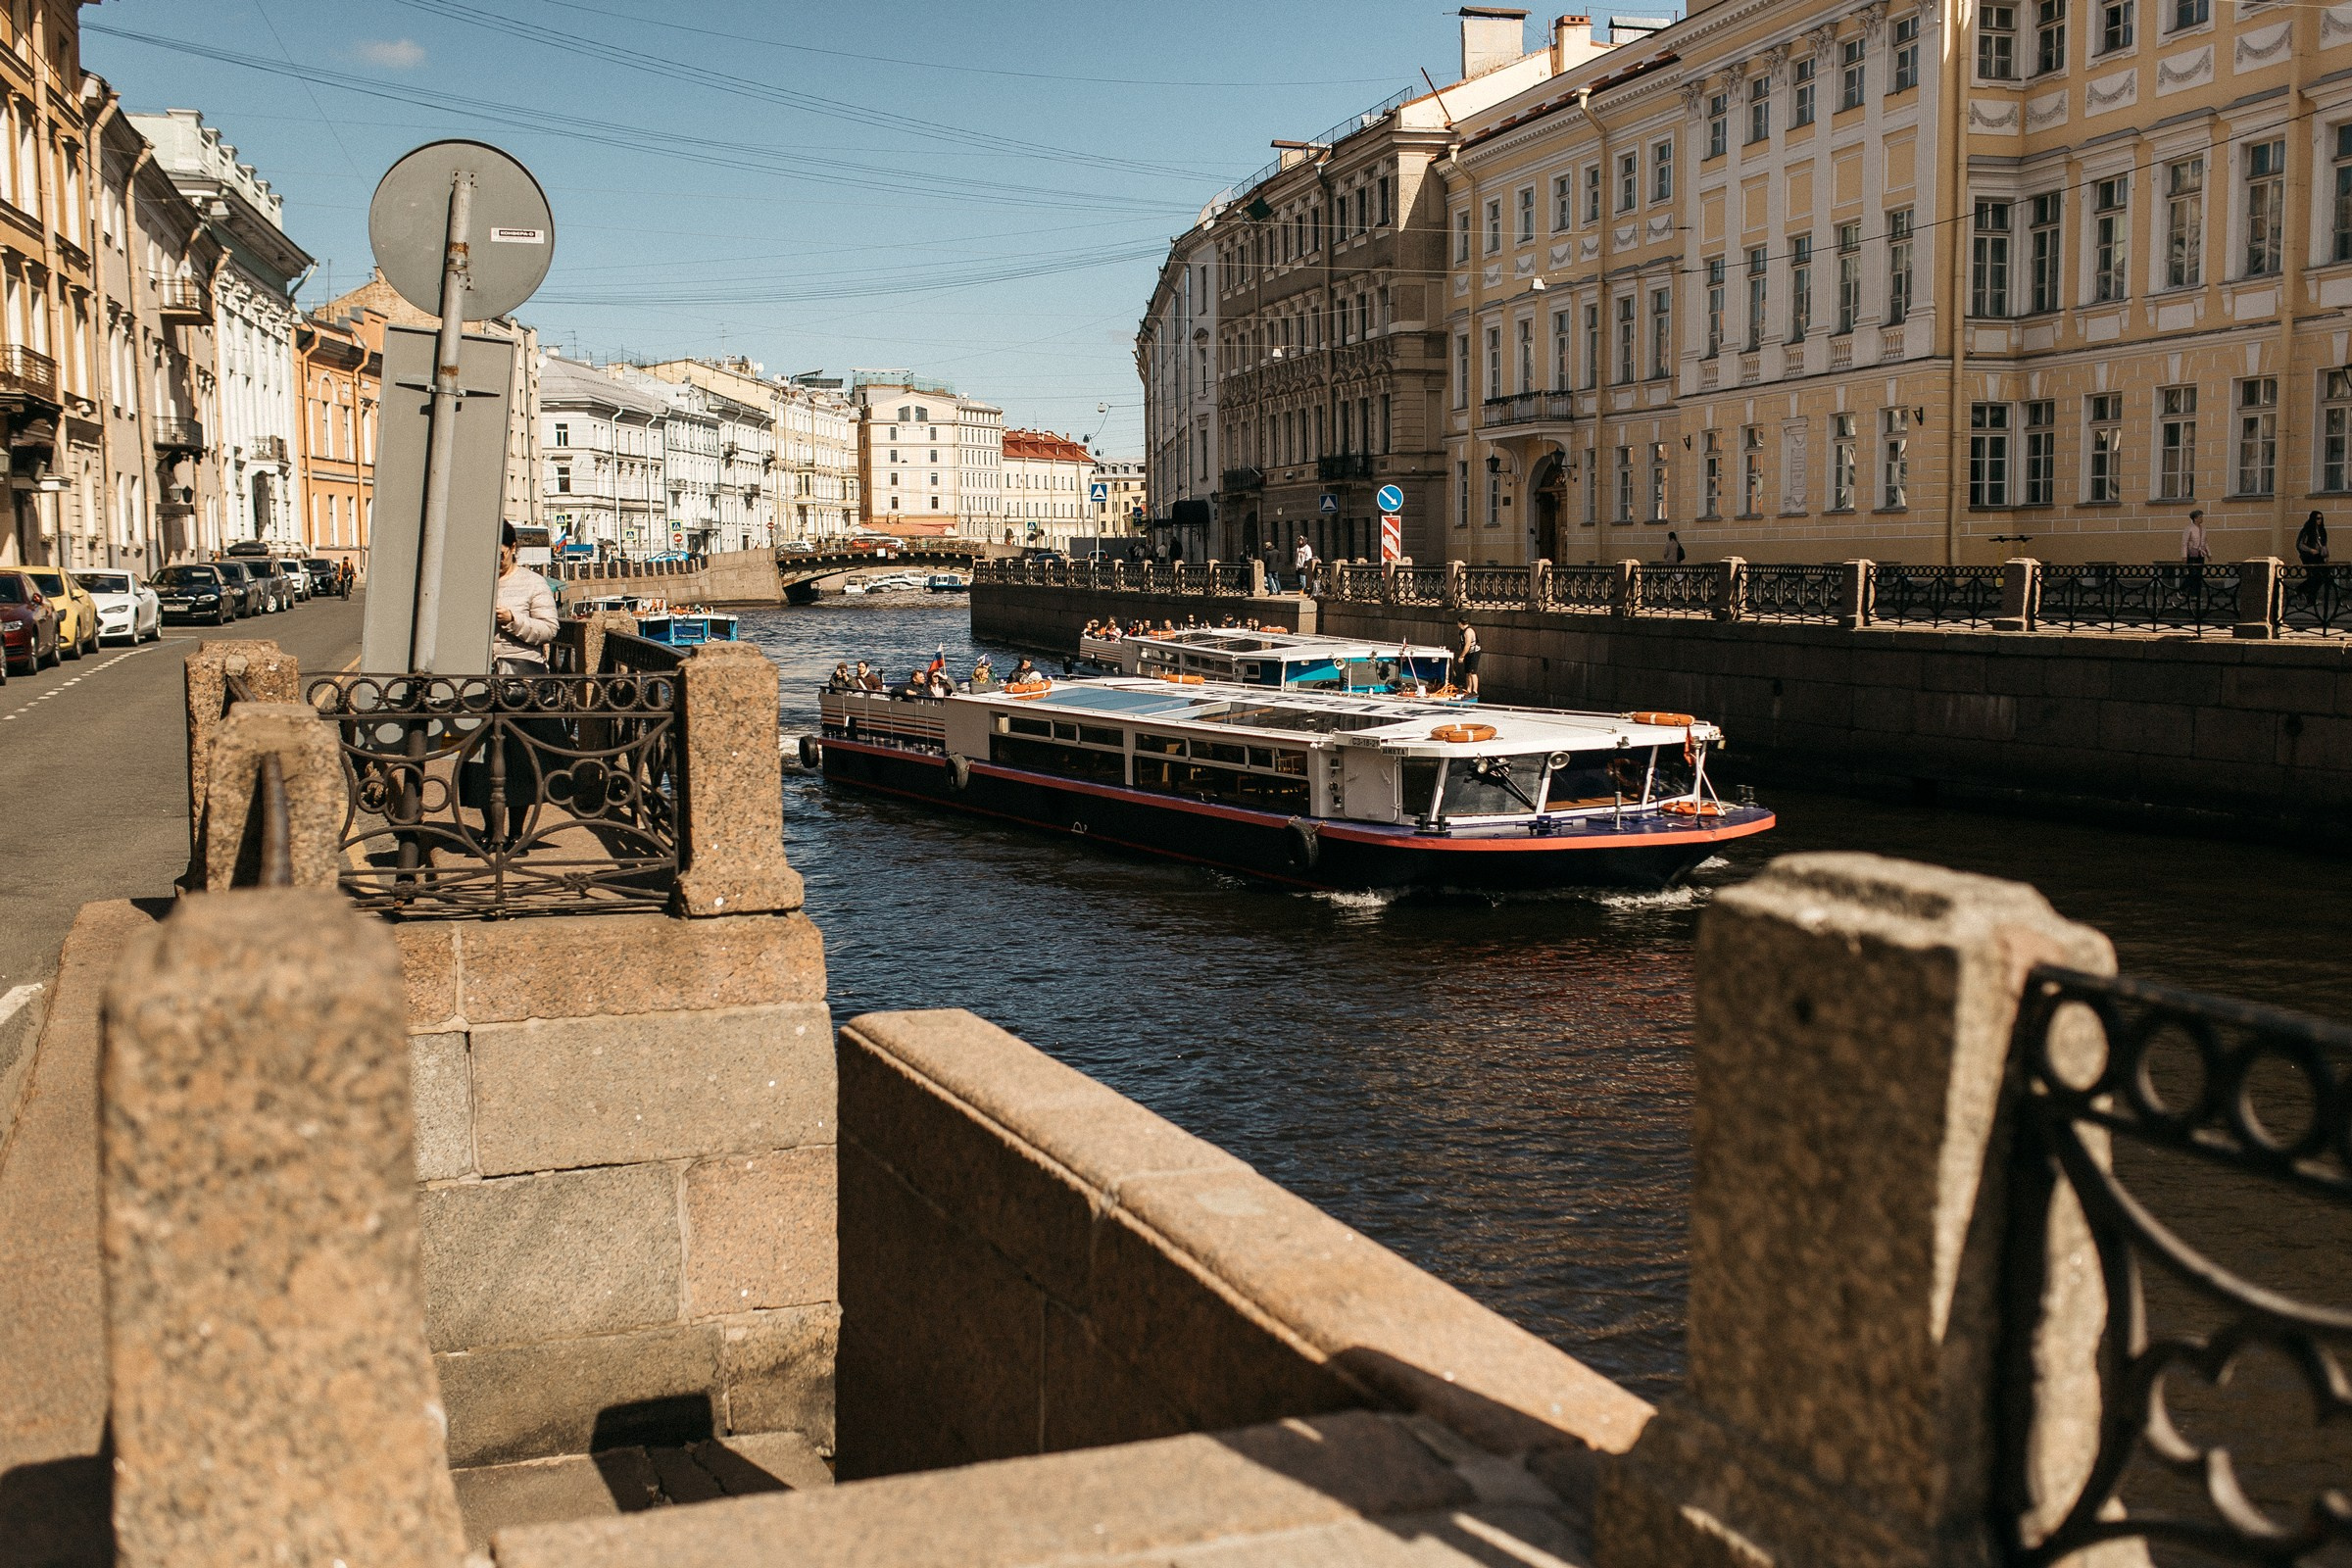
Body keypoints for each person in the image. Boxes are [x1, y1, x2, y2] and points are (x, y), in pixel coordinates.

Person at [493, 520, 560, 675]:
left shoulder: (533, 582)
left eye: (501, 555)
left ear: (513, 548)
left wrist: (512, 620)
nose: (497, 561)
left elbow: (549, 629)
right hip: (478, 677)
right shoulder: (475, 582)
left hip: (520, 674)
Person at [2296, 509, 2330, 601]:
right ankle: (2306, 594)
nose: (2319, 521)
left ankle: (2305, 592)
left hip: (2319, 556)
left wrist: (2326, 555)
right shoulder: (2307, 530)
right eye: (2317, 518)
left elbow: (2323, 544)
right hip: (2309, 557)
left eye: (2321, 518)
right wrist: (2310, 550)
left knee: (2324, 576)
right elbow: (2300, 544)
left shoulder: (2322, 531)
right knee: (2314, 576)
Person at [2180, 508, 2210, 605]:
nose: (2202, 519)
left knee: (2199, 576)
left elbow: (2205, 542)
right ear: (2195, 518)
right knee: (2192, 574)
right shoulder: (2189, 528)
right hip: (2192, 554)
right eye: (2200, 517)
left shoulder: (2203, 528)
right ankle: (2182, 590)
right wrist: (2184, 556)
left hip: (2200, 554)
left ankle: (2196, 595)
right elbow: (2184, 543)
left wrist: (2209, 553)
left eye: (2202, 517)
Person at [1455, 618, 1482, 699]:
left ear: (1460, 623)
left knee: (1473, 672)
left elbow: (1467, 645)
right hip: (1467, 653)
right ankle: (1469, 690)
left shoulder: (1468, 631)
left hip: (1474, 652)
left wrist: (1462, 656)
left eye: (1458, 622)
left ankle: (1475, 691)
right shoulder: (1461, 631)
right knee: (1467, 672)